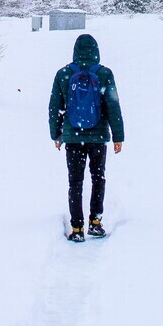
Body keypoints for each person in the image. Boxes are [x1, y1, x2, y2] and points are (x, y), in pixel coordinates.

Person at [48, 33, 125, 242]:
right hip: (97, 137)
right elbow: (113, 105)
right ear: (96, 51)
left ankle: (77, 228)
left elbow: (55, 107)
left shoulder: (64, 74)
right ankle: (95, 223)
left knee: (75, 181)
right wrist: (118, 136)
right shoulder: (104, 74)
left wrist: (56, 134)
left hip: (73, 137)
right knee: (98, 178)